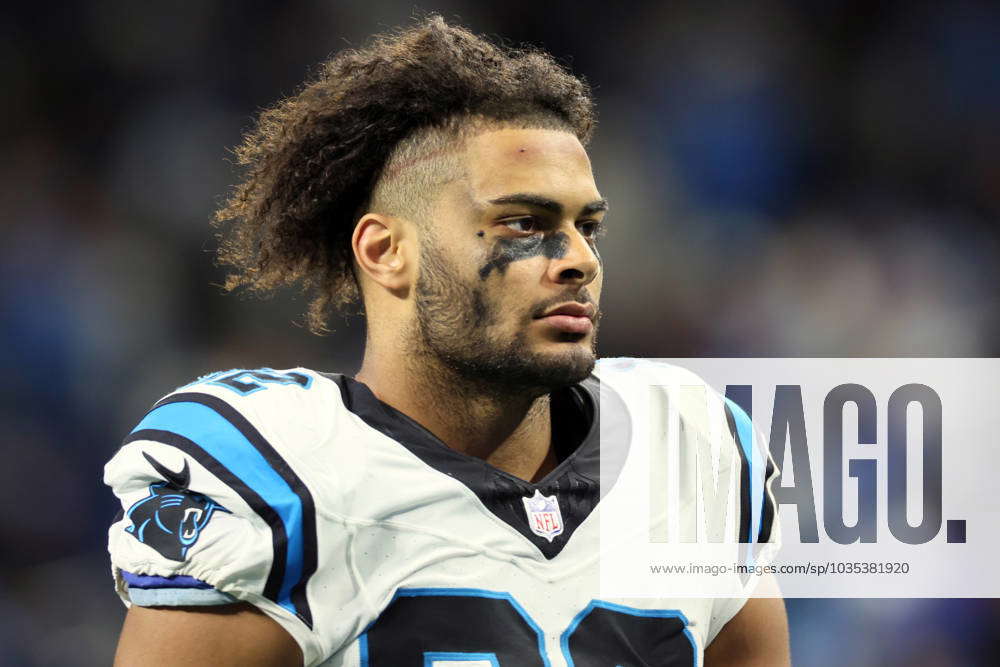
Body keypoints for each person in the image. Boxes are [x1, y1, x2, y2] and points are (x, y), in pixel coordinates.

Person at [105, 16, 789, 666]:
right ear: (386, 250)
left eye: (588, 224)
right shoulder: (277, 476)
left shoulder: (695, 446)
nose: (579, 257)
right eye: (523, 222)